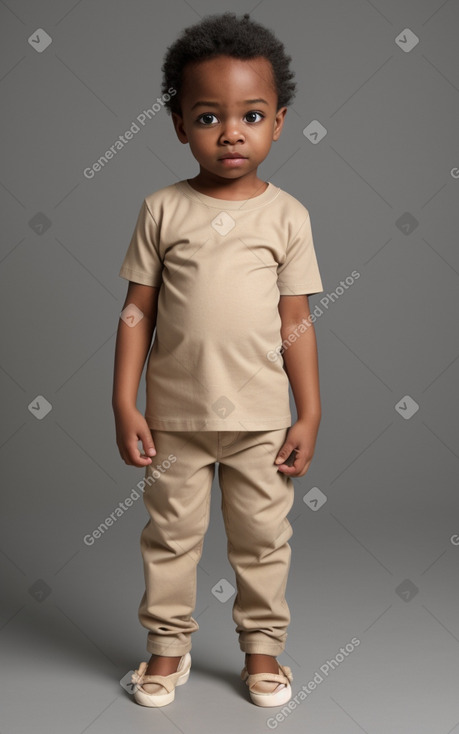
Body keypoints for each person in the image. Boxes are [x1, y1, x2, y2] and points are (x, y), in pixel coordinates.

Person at [112, 11, 324, 709]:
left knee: (263, 540)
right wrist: (124, 401)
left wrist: (308, 411)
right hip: (175, 417)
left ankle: (262, 653)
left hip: (262, 421)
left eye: (251, 115)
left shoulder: (287, 216)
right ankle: (165, 651)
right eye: (207, 116)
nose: (230, 132)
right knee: (169, 539)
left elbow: (296, 321)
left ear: (279, 122)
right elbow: (137, 311)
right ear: (178, 125)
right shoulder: (161, 210)